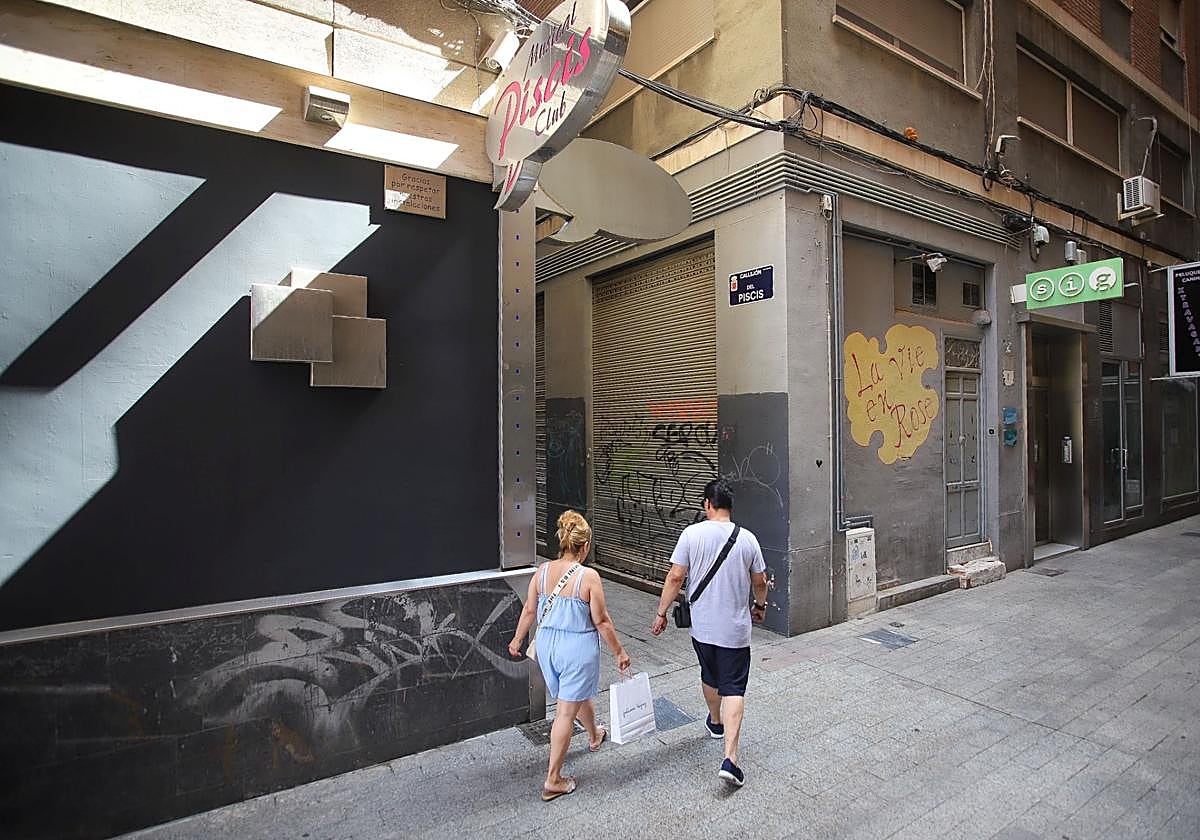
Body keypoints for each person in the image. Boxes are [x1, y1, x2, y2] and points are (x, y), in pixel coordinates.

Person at [651, 478, 767, 788]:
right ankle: (731, 758)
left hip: (701, 628)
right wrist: (760, 605)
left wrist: (661, 613)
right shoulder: (748, 539)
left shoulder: (691, 534)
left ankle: (715, 721)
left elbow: (676, 576)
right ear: (729, 507)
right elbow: (760, 581)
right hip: (735, 630)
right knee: (733, 687)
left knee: (709, 675)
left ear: (707, 505)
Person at [509, 510, 631, 801]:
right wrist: (620, 651)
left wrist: (516, 640)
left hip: (548, 647)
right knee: (565, 712)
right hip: (576, 648)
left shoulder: (542, 571)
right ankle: (553, 779)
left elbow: (529, 610)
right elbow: (601, 621)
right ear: (585, 546)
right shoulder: (588, 576)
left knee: (573, 696)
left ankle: (593, 735)